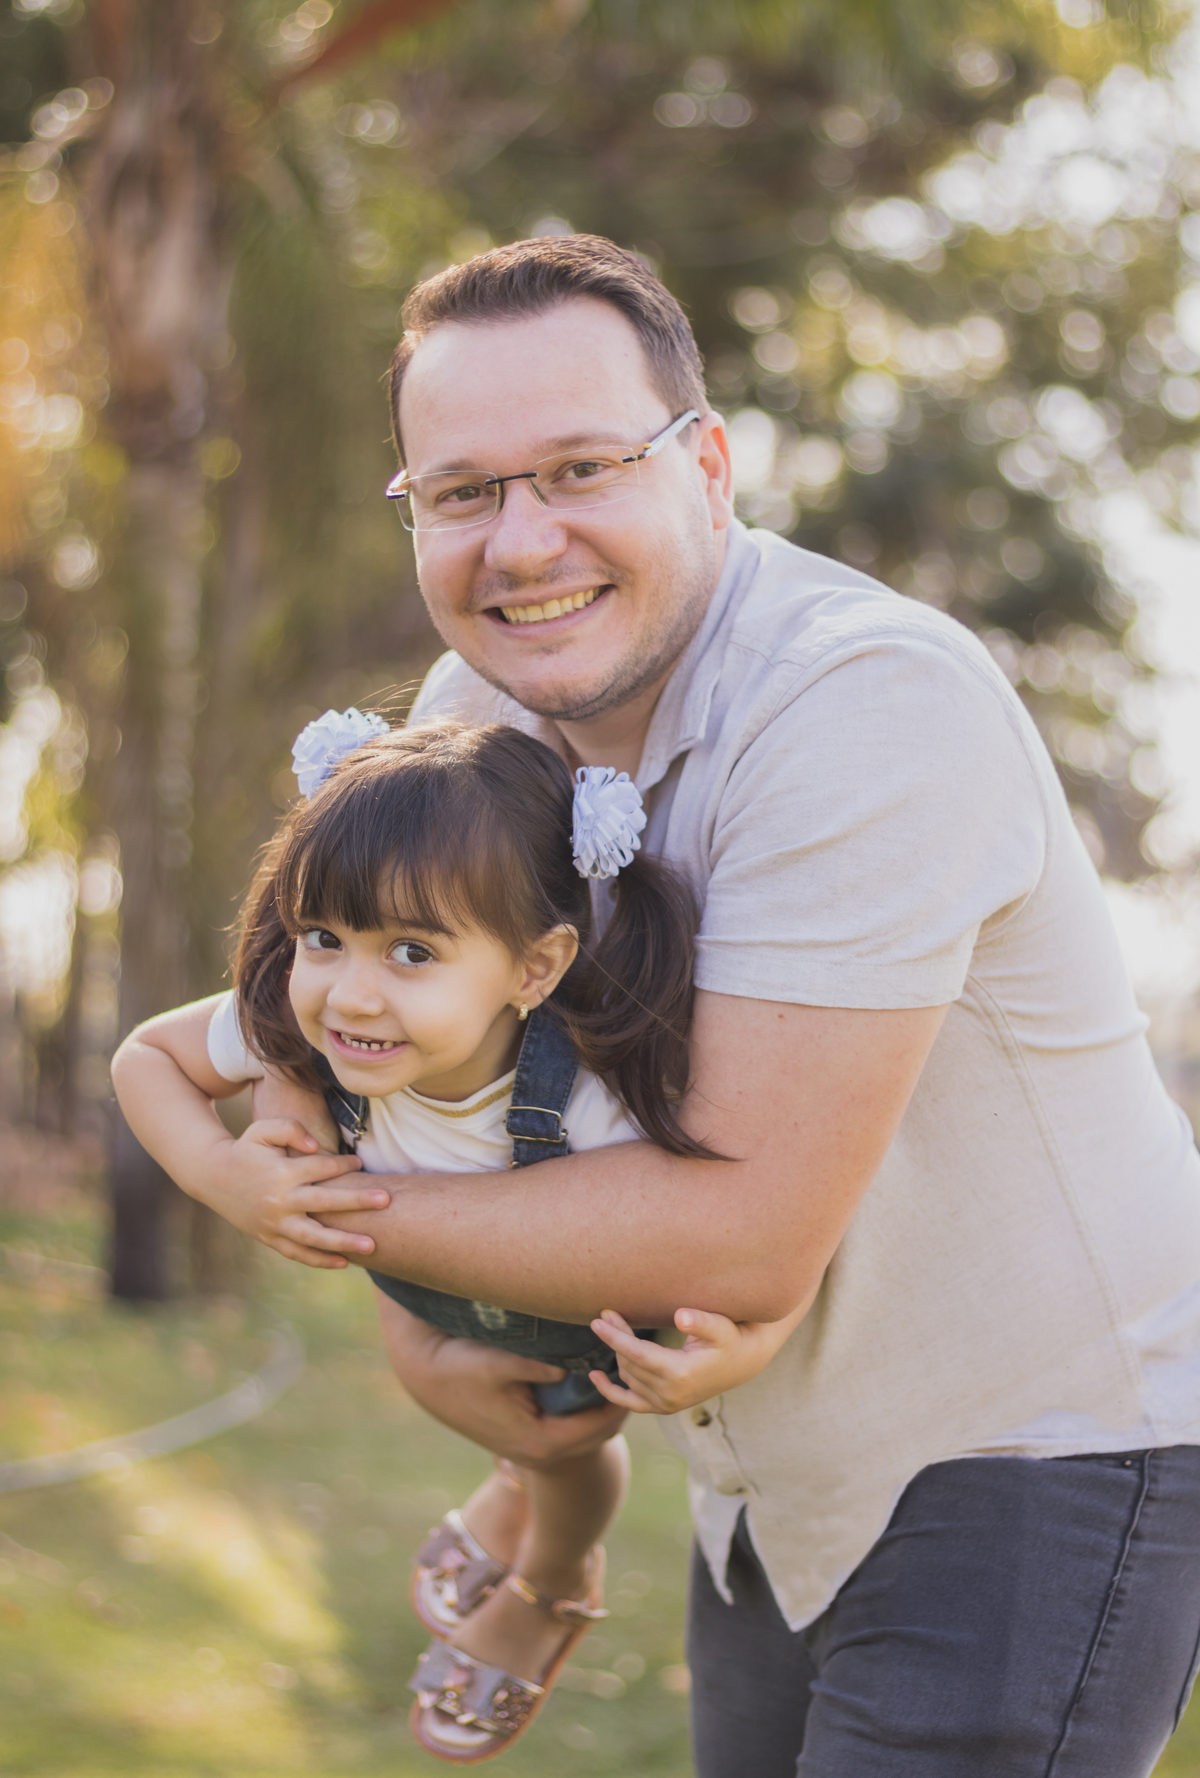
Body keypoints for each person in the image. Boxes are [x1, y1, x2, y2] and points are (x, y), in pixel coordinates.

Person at [127, 234, 1200, 1776]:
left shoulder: (866, 704)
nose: (522, 542)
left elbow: (734, 1236)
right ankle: (545, 1546)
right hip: (757, 1461)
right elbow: (384, 1019)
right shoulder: (480, 711)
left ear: (706, 467)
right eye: (462, 492)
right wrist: (312, 1139)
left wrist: (316, 1217)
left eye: (581, 468)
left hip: (1029, 1451)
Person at [111, 714, 805, 1763]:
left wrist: (749, 1345)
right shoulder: (306, 1029)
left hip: (578, 1337)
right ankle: (510, 1484)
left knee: (568, 1453)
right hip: (445, 1312)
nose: (352, 992)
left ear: (535, 967)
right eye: (323, 937)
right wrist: (224, 1176)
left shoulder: (596, 1093)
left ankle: (555, 1581)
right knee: (503, 1430)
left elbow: (752, 1233)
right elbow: (145, 1058)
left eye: (413, 953)